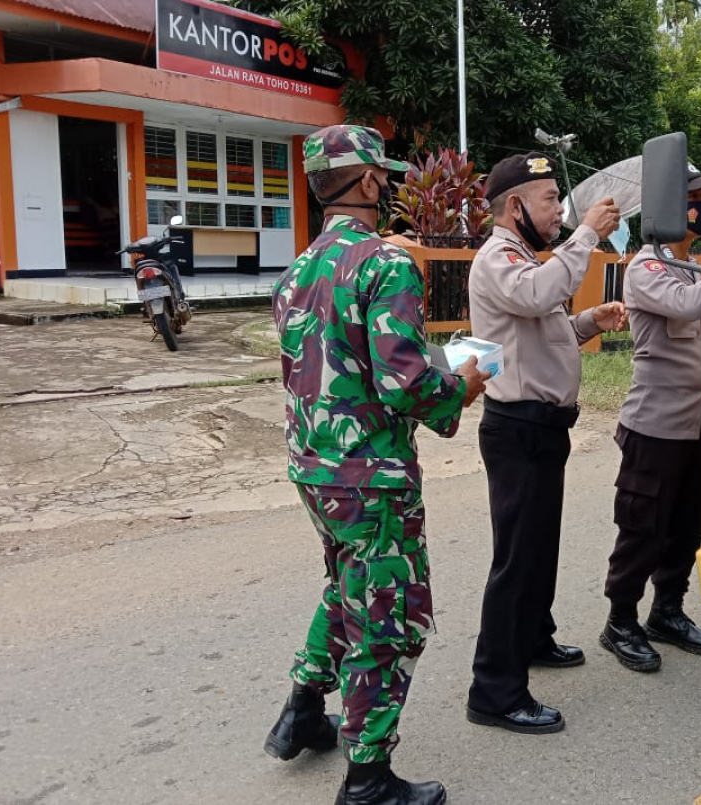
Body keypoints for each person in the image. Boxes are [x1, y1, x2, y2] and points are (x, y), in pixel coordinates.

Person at [266, 125, 488, 805]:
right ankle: (369, 778)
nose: (386, 185)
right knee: (390, 619)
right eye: (382, 176)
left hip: (314, 467)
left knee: (347, 584)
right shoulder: (384, 264)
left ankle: (304, 709)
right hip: (372, 479)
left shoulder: (297, 270)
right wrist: (463, 385)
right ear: (367, 181)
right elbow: (405, 382)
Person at [465, 152, 627, 734]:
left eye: (560, 202)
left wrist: (588, 322)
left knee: (539, 547)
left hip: (543, 428)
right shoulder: (499, 258)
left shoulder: (529, 260)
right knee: (517, 559)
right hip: (518, 428)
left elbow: (541, 324)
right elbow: (535, 296)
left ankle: (534, 637)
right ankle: (494, 690)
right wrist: (587, 233)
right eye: (550, 200)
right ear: (515, 207)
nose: (559, 211)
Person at [599, 165, 701, 673]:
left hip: (693, 428)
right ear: (666, 208)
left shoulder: (690, 266)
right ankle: (621, 620)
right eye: (691, 197)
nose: (700, 205)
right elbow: (688, 307)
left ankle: (667, 610)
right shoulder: (647, 268)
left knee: (687, 522)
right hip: (654, 426)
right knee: (643, 527)